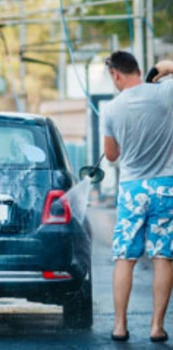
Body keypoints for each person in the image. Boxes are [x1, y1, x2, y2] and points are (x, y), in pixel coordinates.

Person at [103, 51, 173, 342]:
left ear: (115, 75)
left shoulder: (111, 108)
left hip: (133, 189)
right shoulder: (166, 93)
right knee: (163, 257)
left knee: (125, 257)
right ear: (139, 69)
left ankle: (120, 325)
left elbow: (111, 155)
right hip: (166, 186)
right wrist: (161, 68)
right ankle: (156, 327)